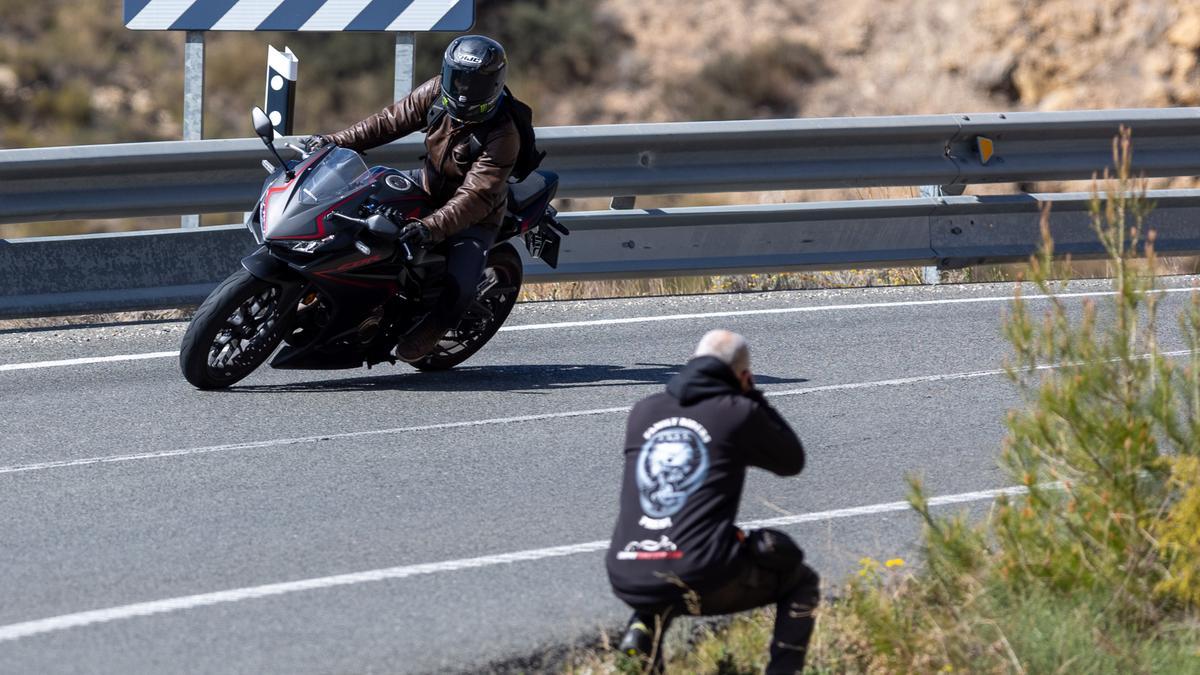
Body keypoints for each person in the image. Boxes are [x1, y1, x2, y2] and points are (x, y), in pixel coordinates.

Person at [606, 329, 819, 673]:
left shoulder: (643, 411)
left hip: (627, 571)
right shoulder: (738, 412)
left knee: (664, 582)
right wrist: (754, 397)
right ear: (743, 377)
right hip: (701, 573)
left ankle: (641, 629)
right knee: (800, 578)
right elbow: (791, 460)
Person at [304, 35, 519, 361]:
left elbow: (475, 195)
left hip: (476, 215)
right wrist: (336, 142)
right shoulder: (436, 93)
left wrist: (429, 227)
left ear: (492, 84)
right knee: (358, 209)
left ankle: (432, 331)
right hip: (426, 186)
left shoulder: (503, 134)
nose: (461, 89)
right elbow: (389, 121)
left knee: (460, 285)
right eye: (456, 77)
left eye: (472, 82)